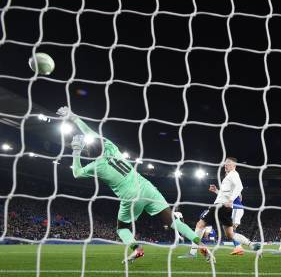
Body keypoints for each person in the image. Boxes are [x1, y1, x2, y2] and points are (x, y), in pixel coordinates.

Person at [57, 107, 212, 264]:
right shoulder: (111, 147)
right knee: (173, 221)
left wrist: (76, 151)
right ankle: (201, 245)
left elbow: (76, 173)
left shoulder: (95, 166)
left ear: (90, 152)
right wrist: (74, 117)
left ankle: (137, 249)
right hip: (146, 187)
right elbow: (91, 133)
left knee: (122, 228)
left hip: (130, 196)